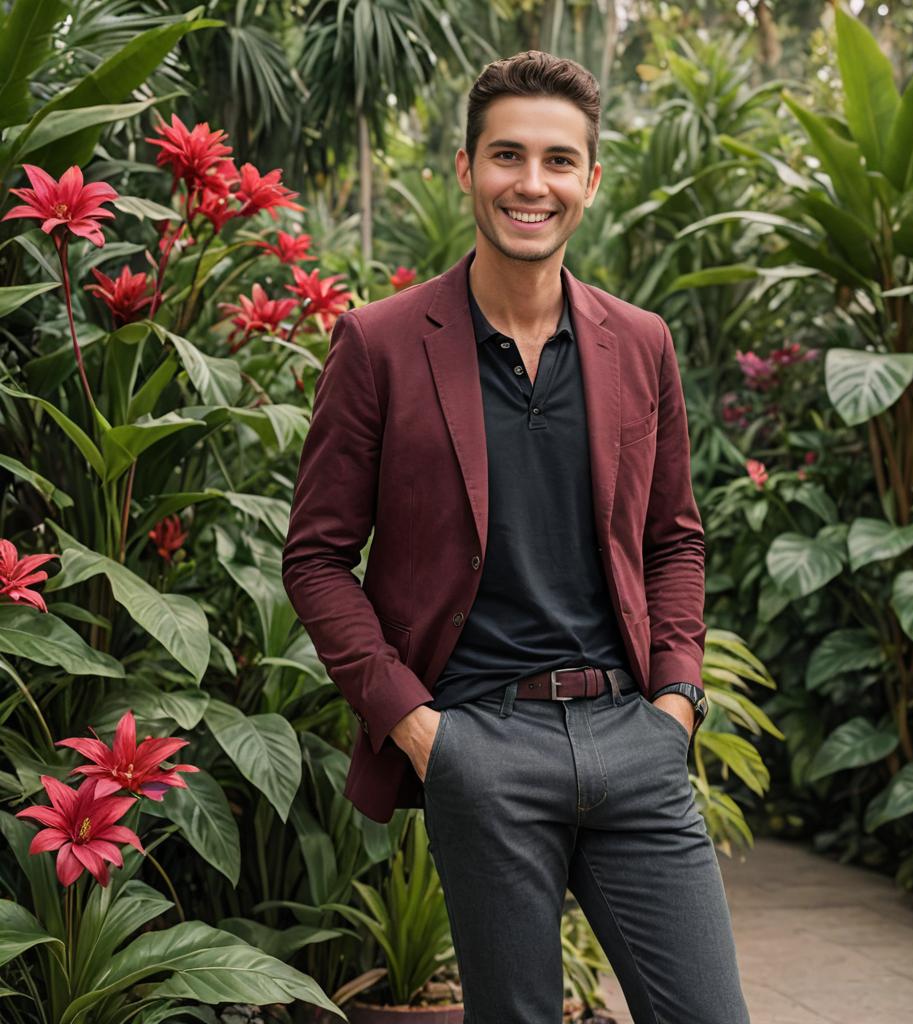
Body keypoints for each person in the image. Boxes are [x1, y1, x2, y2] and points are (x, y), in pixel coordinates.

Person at [283, 49, 750, 1024]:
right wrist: (419, 728)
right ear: (464, 168)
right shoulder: (380, 344)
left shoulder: (642, 343)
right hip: (478, 744)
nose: (530, 184)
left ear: (589, 180)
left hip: (634, 736)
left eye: (556, 160)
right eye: (506, 155)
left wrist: (677, 699)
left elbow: (674, 538)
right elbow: (317, 555)